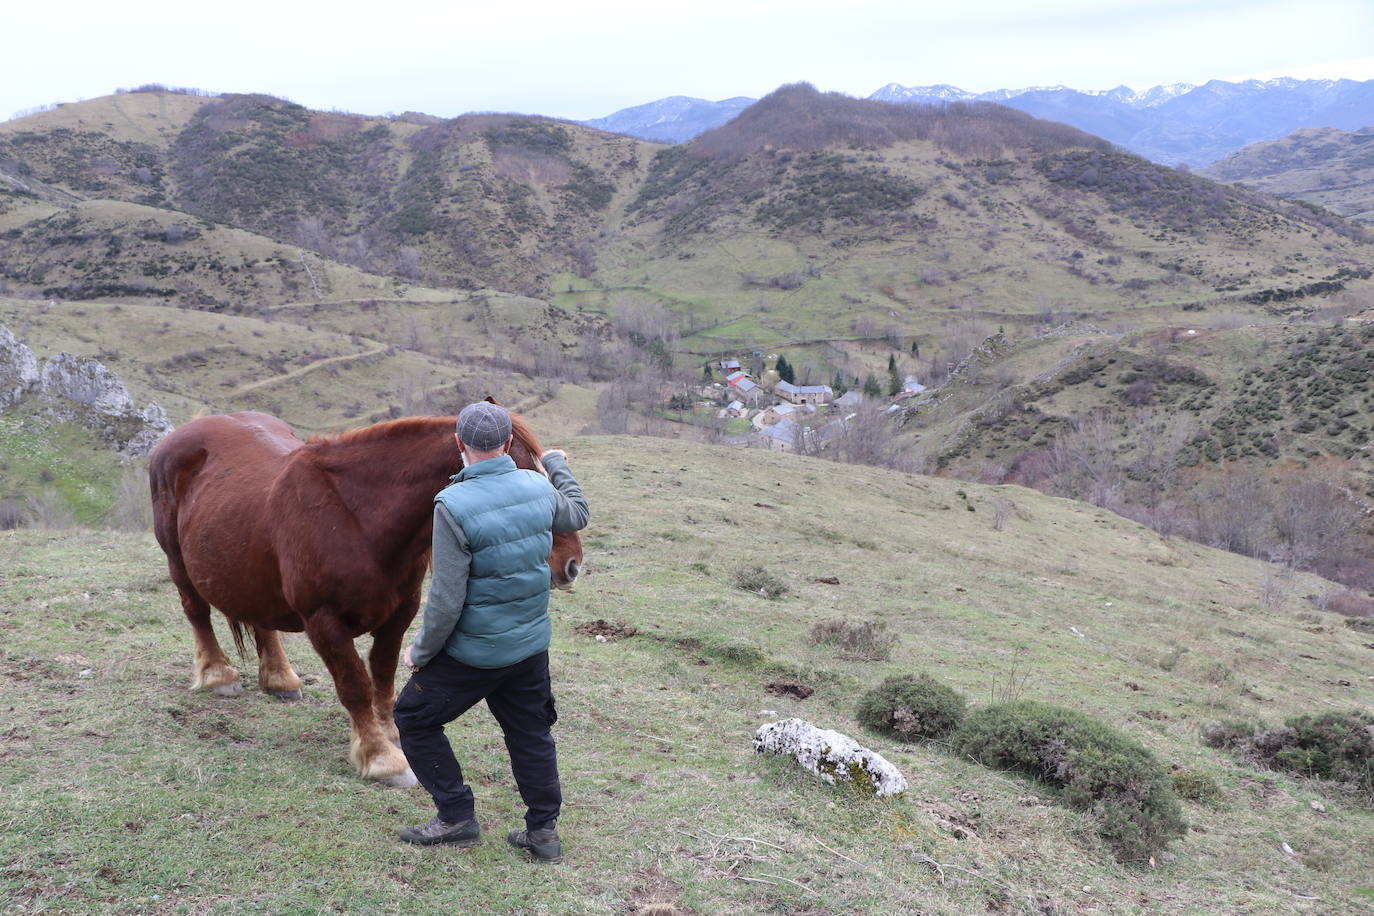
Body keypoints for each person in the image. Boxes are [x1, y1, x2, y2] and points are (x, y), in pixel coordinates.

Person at [393, 401, 589, 862]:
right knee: (531, 734)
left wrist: (420, 652)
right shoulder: (536, 486)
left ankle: (456, 817)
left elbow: (445, 598)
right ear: (506, 444)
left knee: (413, 719)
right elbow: (576, 514)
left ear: (460, 445)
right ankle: (542, 832)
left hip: (472, 655)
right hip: (529, 647)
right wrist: (556, 463)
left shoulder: (453, 504)